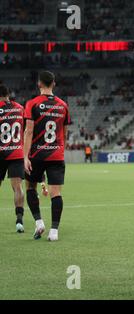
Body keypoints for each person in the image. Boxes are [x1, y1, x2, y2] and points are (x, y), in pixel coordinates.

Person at [24, 71, 71, 241]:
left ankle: (39, 222)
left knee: (30, 187)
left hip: (36, 153)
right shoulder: (63, 105)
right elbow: (64, 133)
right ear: (54, 84)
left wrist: (25, 157)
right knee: (56, 193)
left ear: (39, 84)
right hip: (56, 155)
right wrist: (59, 151)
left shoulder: (32, 104)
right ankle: (54, 231)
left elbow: (29, 131)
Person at [0, 85, 25, 233]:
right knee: (17, 187)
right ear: (9, 94)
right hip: (16, 152)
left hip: (1, 152)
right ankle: (19, 220)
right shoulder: (20, 108)